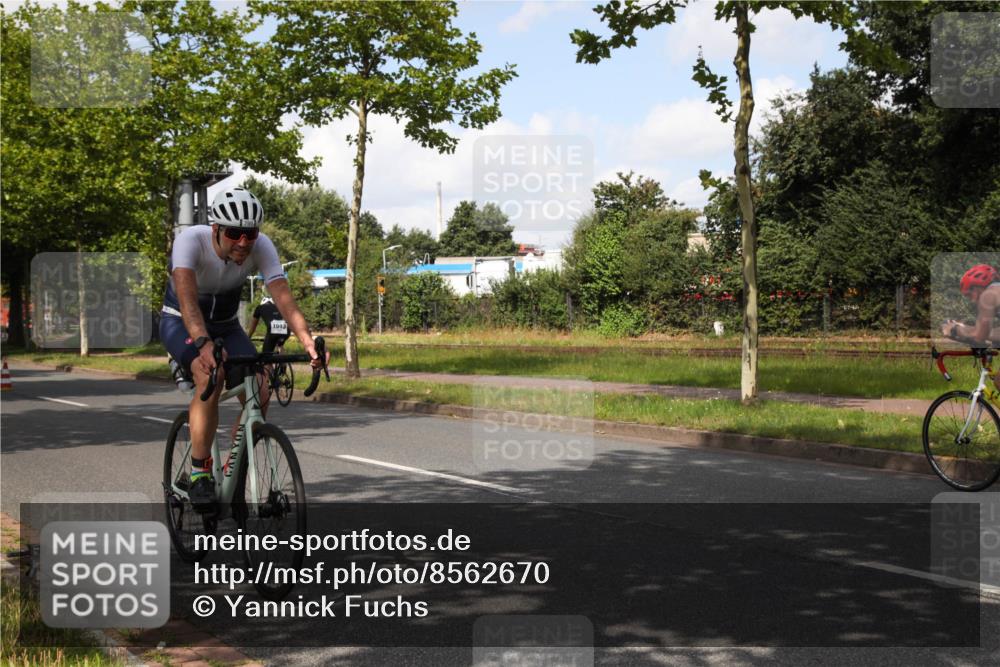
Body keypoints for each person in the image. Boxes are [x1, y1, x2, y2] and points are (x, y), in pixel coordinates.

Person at [159, 187, 324, 511]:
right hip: (181, 321)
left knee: (261, 387)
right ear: (216, 230)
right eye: (234, 233)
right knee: (211, 376)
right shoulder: (189, 242)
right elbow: (189, 302)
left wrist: (307, 339)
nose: (243, 242)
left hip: (226, 324)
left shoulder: (261, 246)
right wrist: (203, 344)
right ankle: (199, 472)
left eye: (250, 234)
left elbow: (282, 295)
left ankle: (231, 469)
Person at [942, 263, 1000, 395]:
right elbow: (990, 333)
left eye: (969, 294)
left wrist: (955, 329)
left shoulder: (988, 296)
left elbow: (980, 335)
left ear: (978, 286)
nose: (972, 300)